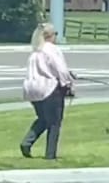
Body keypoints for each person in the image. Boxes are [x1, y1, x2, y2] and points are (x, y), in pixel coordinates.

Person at [20, 22, 75, 160]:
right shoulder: (52, 49)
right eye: (55, 33)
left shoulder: (36, 51)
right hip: (49, 88)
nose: (56, 36)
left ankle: (26, 142)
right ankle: (50, 155)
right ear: (50, 36)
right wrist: (68, 84)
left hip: (33, 90)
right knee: (54, 122)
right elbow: (60, 69)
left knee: (43, 119)